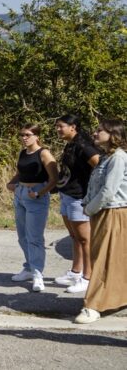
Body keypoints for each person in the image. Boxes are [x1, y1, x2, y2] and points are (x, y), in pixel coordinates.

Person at [75, 119, 127, 324]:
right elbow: (96, 186)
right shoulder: (107, 157)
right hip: (102, 212)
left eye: (99, 131)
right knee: (105, 258)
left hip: (113, 212)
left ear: (113, 135)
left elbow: (108, 191)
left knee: (106, 259)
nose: (95, 134)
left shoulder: (119, 158)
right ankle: (112, 297)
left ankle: (93, 305)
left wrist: (89, 208)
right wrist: (88, 203)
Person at [6, 124, 59, 292]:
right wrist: (12, 183)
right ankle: (29, 267)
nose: (24, 137)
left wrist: (39, 193)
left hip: (36, 196)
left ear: (37, 136)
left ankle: (37, 273)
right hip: (20, 194)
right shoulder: (23, 153)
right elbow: (21, 172)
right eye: (22, 134)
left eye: (28, 134)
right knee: (22, 236)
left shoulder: (44, 153)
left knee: (34, 237)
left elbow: (54, 178)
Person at [53, 114, 101, 294]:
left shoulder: (84, 146)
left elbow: (99, 166)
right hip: (68, 195)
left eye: (61, 126)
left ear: (73, 127)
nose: (58, 130)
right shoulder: (72, 144)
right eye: (57, 126)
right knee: (74, 236)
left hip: (80, 198)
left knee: (85, 239)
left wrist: (93, 191)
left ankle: (88, 278)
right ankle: (76, 271)